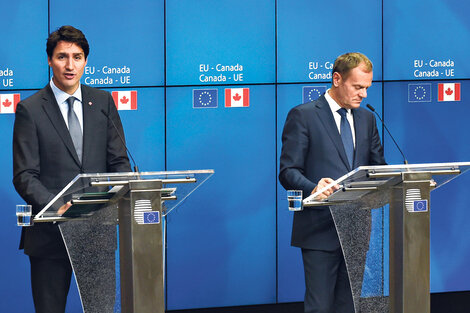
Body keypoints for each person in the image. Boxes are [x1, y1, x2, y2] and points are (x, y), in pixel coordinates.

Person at [13, 25, 131, 313]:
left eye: (77, 57)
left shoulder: (102, 102)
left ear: (86, 61)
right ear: (49, 60)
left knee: (102, 309)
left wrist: (116, 194)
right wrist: (59, 206)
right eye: (62, 56)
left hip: (98, 233)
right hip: (50, 236)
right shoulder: (30, 109)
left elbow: (119, 163)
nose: (70, 65)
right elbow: (25, 175)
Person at [279, 52, 386, 313]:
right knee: (320, 307)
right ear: (337, 79)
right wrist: (313, 187)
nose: (364, 94)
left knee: (349, 306)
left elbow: (378, 168)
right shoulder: (303, 115)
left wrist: (394, 178)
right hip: (319, 229)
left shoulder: (367, 118)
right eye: (358, 87)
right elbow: (287, 171)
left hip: (357, 226)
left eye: (367, 88)